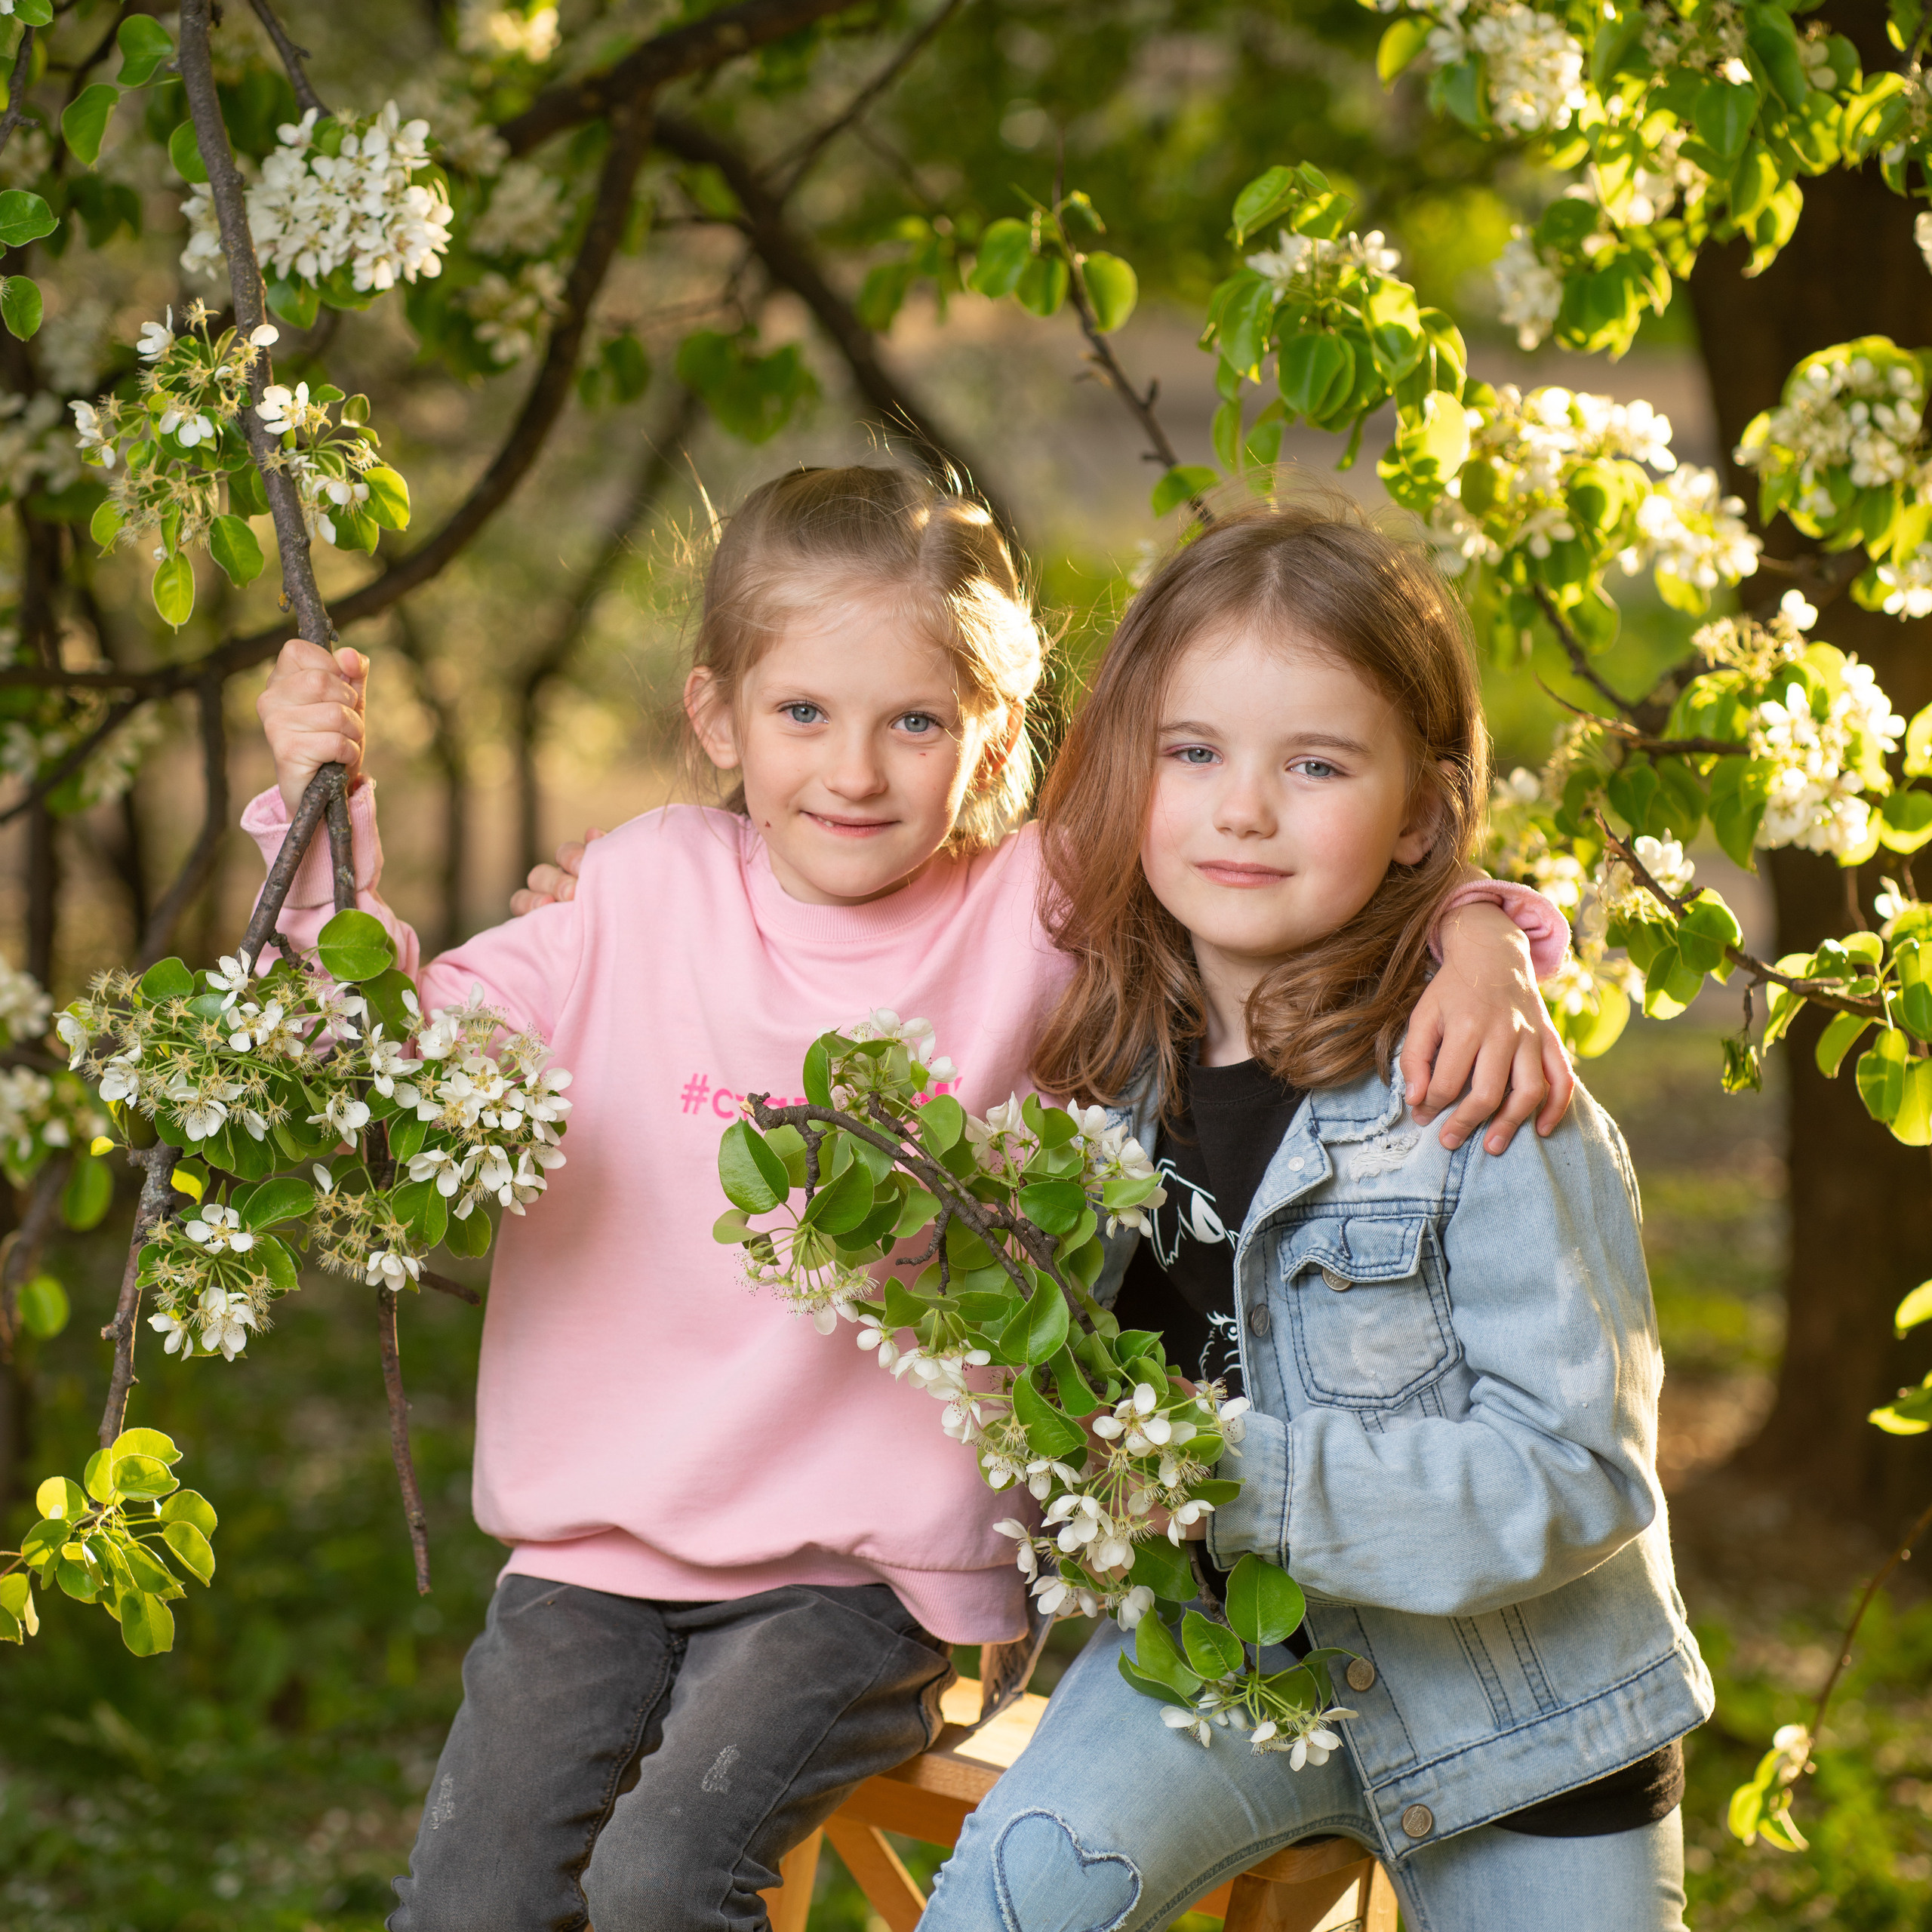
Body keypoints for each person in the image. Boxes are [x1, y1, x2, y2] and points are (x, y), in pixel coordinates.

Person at [247, 466, 1571, 1932]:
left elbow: (1263, 874)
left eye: (914, 721)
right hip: (593, 1548)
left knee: (659, 1878)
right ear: (715, 716)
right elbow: (379, 1051)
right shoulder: (628, 895)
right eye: (802, 713)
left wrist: (1478, 929)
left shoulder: (1034, 912)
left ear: (993, 731)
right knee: (469, 1901)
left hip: (862, 1571)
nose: (855, 770)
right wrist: (323, 829)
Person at [912, 493, 1713, 1932]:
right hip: (1216, 1666)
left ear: (1421, 812)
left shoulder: (1486, 1091)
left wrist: (1244, 1481)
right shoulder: (1093, 1063)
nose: (1243, 808)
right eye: (1195, 751)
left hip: (1525, 1720)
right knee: (1003, 1908)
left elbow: (1583, 1473)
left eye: (1319, 764)